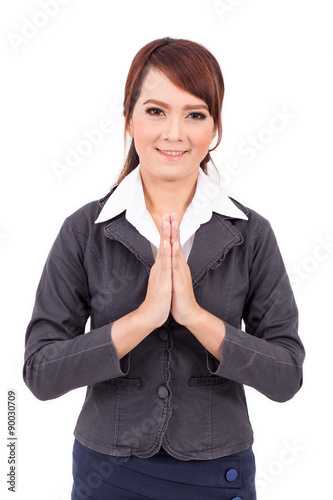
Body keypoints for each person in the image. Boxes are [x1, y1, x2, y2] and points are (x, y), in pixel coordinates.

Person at [23, 37, 305, 500]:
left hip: (218, 473)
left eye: (195, 114)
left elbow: (286, 376)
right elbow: (41, 371)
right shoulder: (84, 231)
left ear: (214, 130)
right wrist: (142, 319)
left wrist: (196, 317)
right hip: (108, 475)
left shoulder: (252, 234)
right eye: (156, 110)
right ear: (129, 118)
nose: (174, 133)